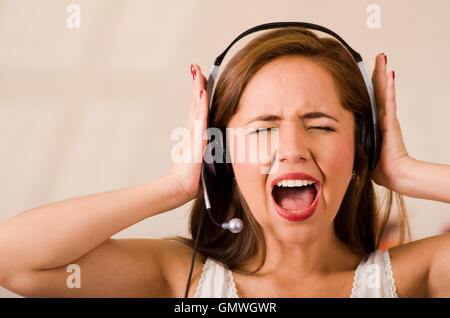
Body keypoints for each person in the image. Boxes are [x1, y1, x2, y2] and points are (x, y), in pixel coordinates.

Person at [0, 27, 449, 298]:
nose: (292, 149)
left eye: (322, 125)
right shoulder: (181, 278)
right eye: (263, 128)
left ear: (362, 149)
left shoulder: (417, 276)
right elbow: (13, 260)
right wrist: (175, 185)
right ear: (222, 157)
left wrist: (406, 171)